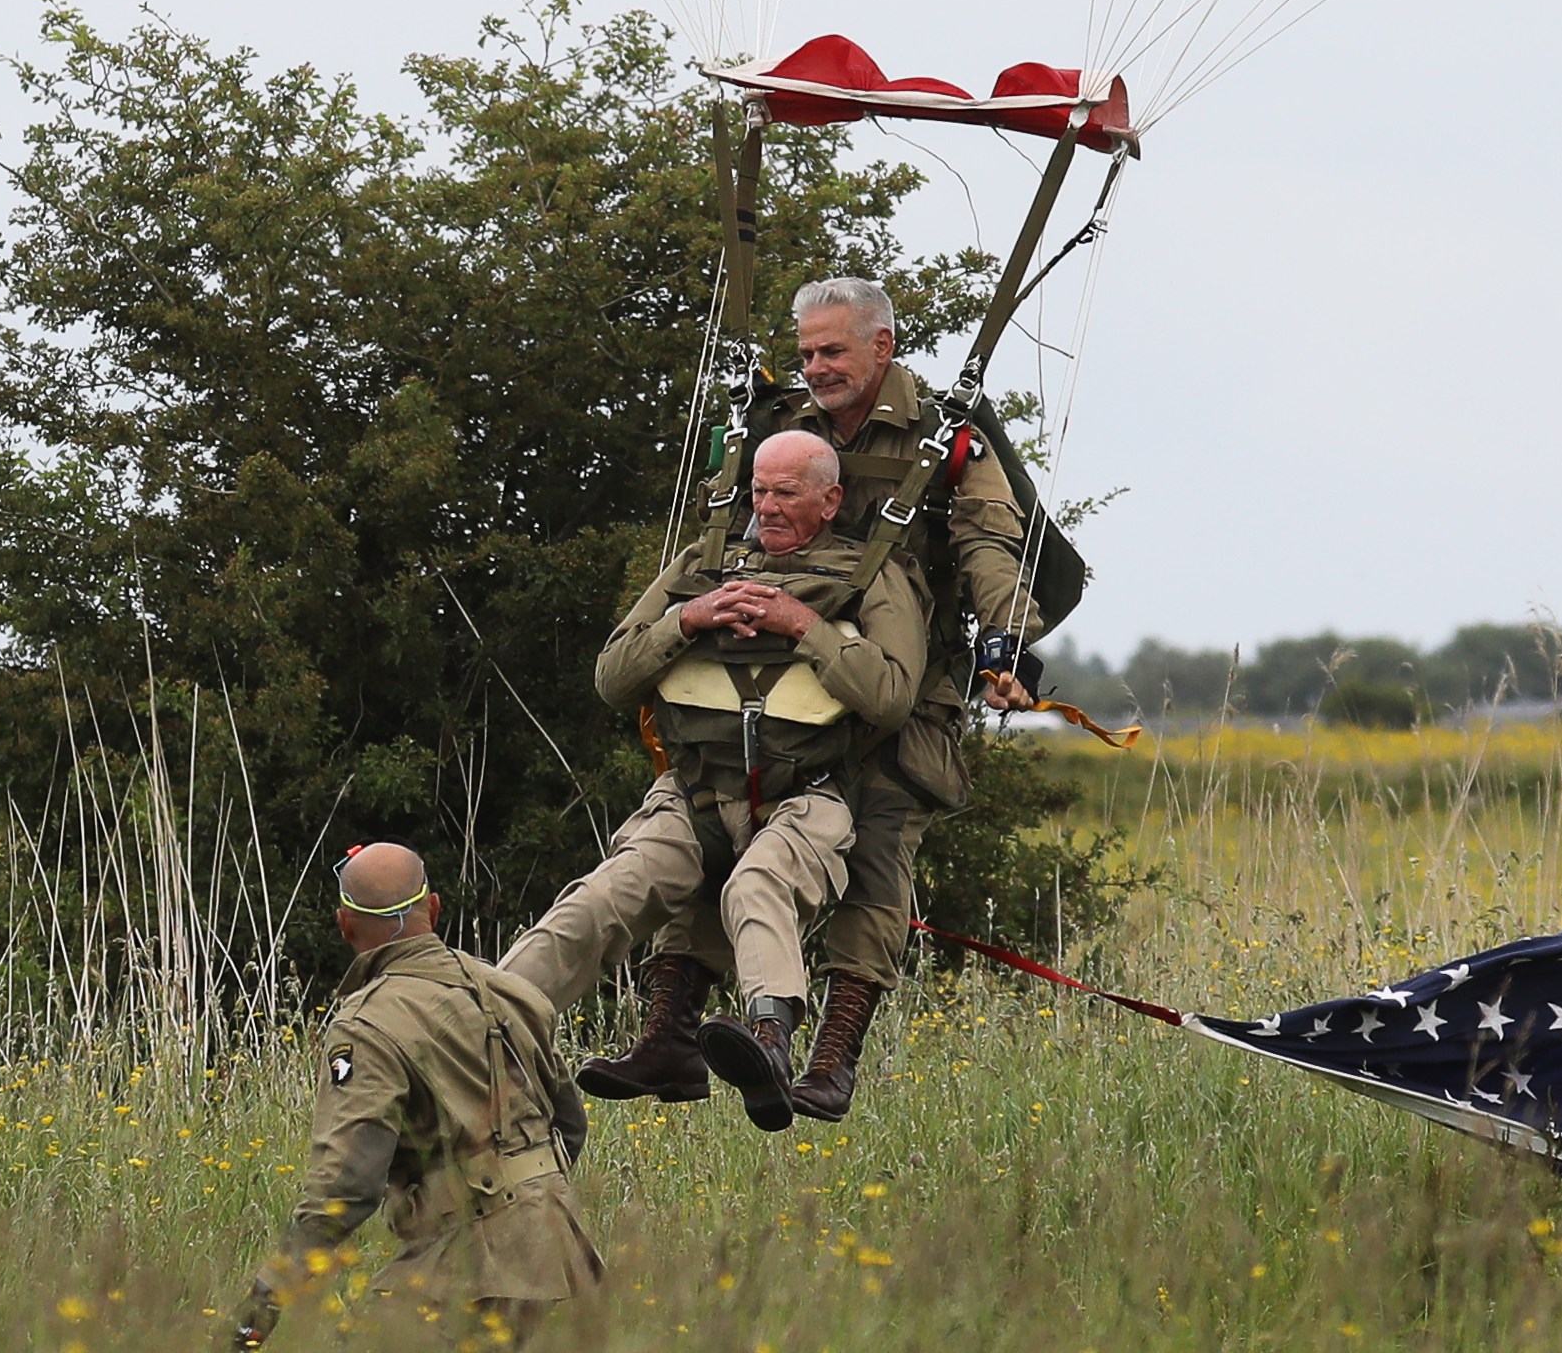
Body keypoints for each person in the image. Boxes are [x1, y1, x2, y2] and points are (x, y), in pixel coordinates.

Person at [619, 275, 1062, 1124]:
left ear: (881, 347)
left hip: (899, 680)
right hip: (781, 677)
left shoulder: (946, 440)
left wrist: (1008, 644)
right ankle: (668, 1036)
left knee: (880, 843)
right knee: (713, 817)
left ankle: (830, 1062)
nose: (816, 367)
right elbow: (727, 530)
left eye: (832, 351)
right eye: (807, 352)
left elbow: (989, 546)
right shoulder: (777, 429)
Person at [499, 430, 929, 1130]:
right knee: (606, 893)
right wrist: (689, 619)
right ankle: (483, 1021)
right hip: (694, 790)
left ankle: (767, 1040)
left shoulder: (871, 574)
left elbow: (889, 698)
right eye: (758, 490)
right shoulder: (700, 565)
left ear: (830, 501)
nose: (767, 506)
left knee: (757, 887)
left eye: (785, 492)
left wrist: (804, 627)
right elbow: (612, 678)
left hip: (806, 792)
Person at [234, 843, 601, 1348]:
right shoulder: (511, 991)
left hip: (470, 1259)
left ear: (345, 925)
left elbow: (346, 1186)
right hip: (561, 1246)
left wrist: (269, 1293)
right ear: (433, 908)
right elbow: (570, 1126)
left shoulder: (365, 1026)